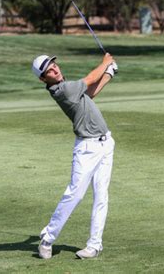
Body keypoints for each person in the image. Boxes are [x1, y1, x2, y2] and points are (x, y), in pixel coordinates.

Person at [31, 53, 118, 260]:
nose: (54, 69)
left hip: (106, 143)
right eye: (48, 71)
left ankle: (94, 245)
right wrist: (105, 62)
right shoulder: (62, 90)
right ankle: (48, 237)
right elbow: (89, 80)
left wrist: (109, 74)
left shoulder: (69, 88)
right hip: (86, 148)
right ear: (44, 79)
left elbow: (90, 93)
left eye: (54, 65)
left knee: (101, 196)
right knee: (75, 194)